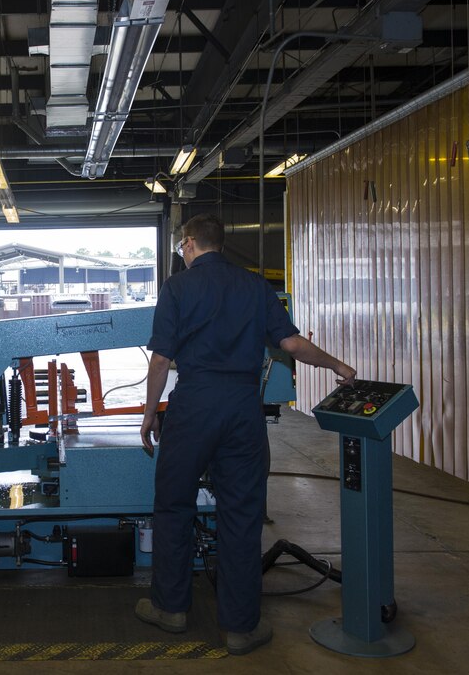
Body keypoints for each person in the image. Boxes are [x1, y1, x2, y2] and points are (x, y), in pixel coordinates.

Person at [134, 213, 356, 655]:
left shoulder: (177, 288)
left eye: (182, 245)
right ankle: (239, 627)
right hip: (241, 410)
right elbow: (291, 344)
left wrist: (147, 416)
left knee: (174, 506)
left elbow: (160, 361)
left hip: (194, 407)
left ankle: (171, 609)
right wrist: (336, 365)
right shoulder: (255, 287)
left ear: (192, 243)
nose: (182, 251)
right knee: (242, 515)